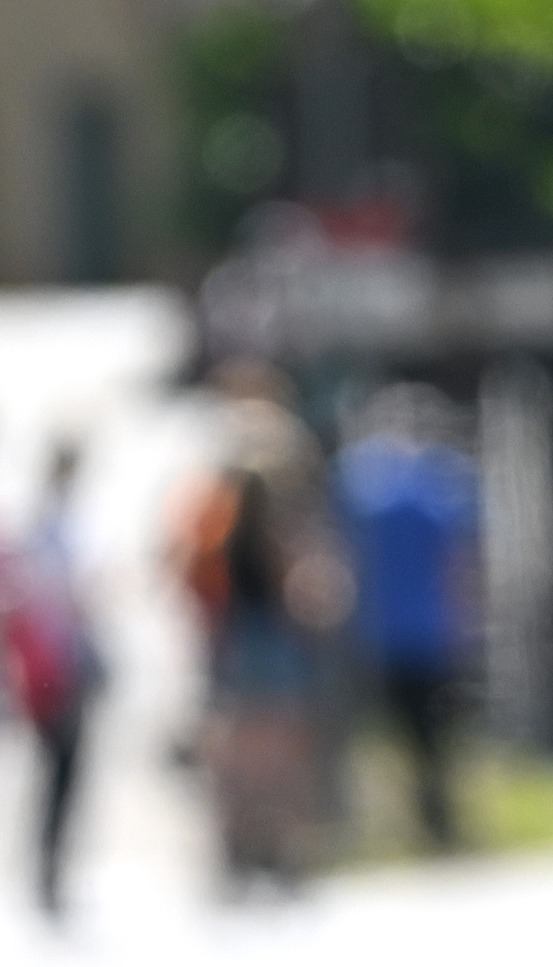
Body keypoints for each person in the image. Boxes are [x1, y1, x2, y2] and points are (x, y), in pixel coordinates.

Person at [179, 363, 345, 891]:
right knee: (281, 742)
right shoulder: (271, 482)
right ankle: (278, 850)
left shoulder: (213, 484)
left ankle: (239, 849)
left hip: (229, 629)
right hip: (269, 628)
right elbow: (291, 569)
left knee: (238, 744)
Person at [333, 385, 480, 857]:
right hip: (433, 628)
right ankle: (437, 818)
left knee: (385, 732)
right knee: (436, 734)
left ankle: (393, 820)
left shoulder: (358, 483)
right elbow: (458, 563)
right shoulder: (443, 482)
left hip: (375, 629)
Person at [0, 437, 104, 918]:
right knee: (55, 774)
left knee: (66, 775)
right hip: (54, 669)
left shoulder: (58, 527)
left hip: (68, 664)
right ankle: (43, 871)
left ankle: (54, 869)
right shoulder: (46, 531)